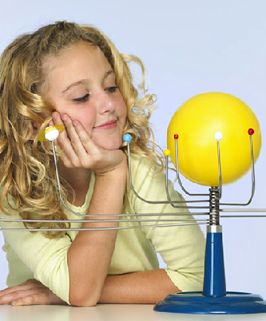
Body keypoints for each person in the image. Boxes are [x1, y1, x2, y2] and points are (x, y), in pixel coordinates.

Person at [0, 21, 205, 307]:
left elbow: (199, 279)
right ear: (33, 123)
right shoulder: (15, 190)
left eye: (110, 87)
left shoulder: (139, 170)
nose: (108, 104)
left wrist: (57, 291)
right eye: (81, 96)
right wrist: (74, 289)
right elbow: (81, 292)